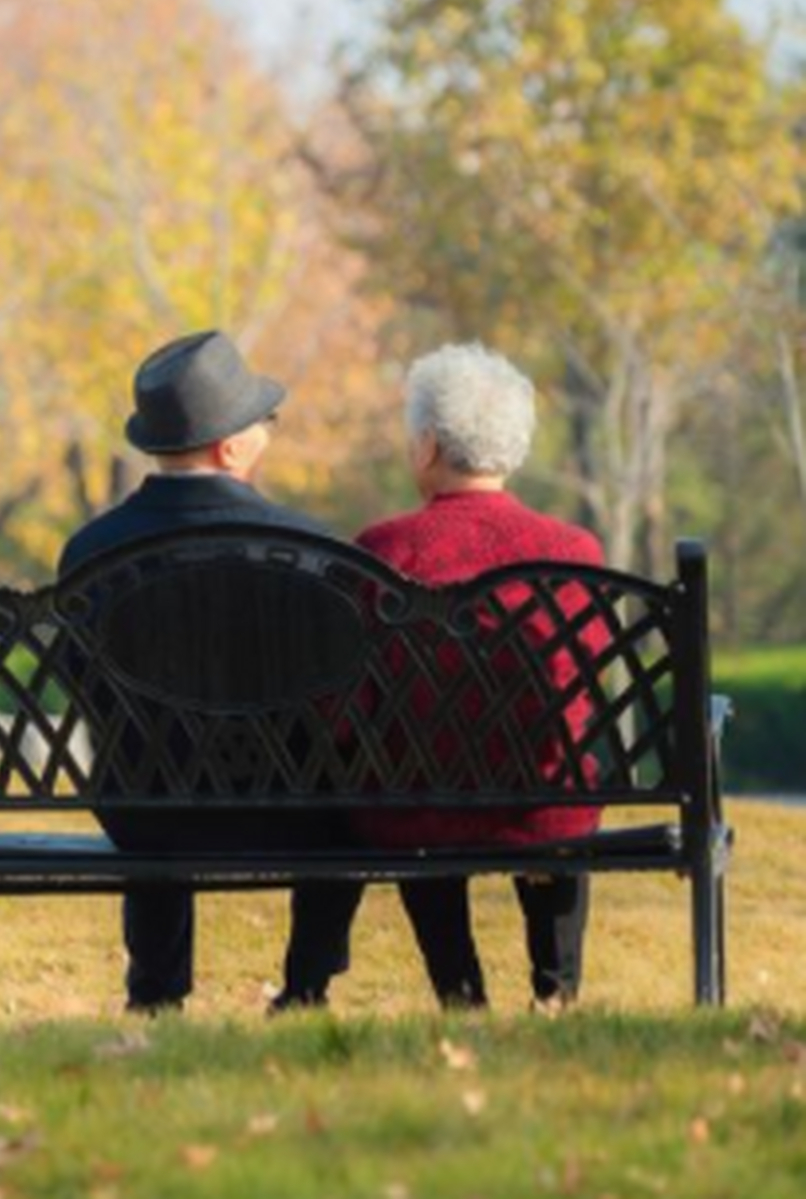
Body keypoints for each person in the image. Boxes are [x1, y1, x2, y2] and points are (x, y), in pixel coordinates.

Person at [278, 342, 607, 1011]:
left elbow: (346, 708)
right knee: (558, 786)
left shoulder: (383, 551)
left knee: (405, 779)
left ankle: (461, 995)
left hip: (417, 807)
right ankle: (557, 990)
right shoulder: (577, 552)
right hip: (543, 805)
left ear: (426, 446)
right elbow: (583, 693)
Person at [59, 329, 353, 1015]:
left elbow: (85, 685)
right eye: (264, 423)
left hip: (145, 810)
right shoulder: (308, 547)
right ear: (230, 446)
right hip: (292, 806)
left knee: (145, 759)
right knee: (350, 796)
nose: (268, 433)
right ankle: (307, 985)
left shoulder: (91, 550)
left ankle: (157, 991)